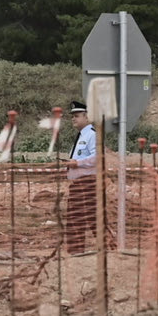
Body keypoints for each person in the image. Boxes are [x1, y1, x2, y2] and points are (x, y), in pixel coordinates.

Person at [63, 100, 98, 254]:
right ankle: (76, 251)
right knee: (75, 219)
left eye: (77, 115)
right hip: (78, 184)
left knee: (93, 218)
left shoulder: (91, 135)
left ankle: (110, 248)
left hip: (88, 183)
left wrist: (77, 163)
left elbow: (98, 157)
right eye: (73, 116)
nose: (73, 118)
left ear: (87, 117)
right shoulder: (81, 137)